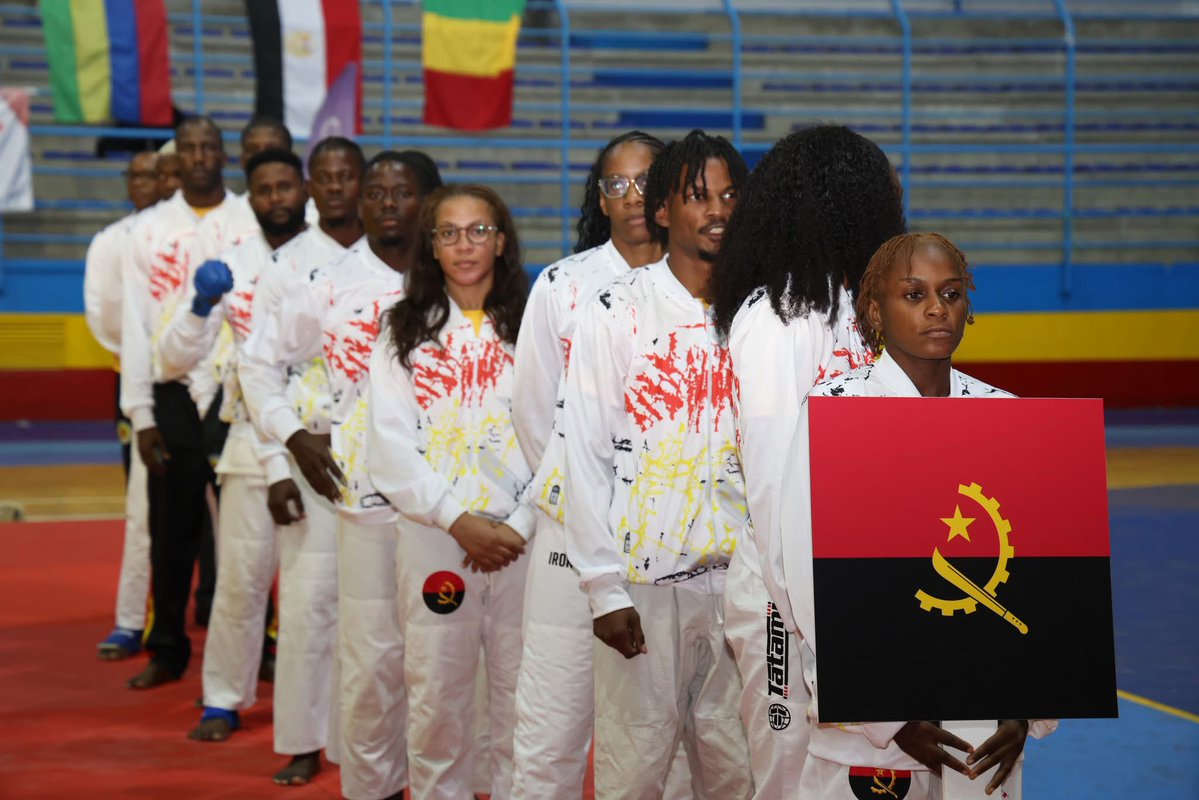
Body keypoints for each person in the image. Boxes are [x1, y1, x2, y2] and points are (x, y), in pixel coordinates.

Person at [772, 232, 1057, 799]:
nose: (936, 308)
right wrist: (887, 717)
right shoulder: (835, 413)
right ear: (875, 310)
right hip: (870, 732)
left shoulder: (1005, 415)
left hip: (984, 730)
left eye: (951, 293)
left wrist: (1025, 708)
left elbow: (1038, 579)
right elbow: (802, 579)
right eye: (914, 294)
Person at [707, 125, 907, 796]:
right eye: (882, 184)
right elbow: (770, 490)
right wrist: (816, 627)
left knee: (858, 780)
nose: (897, 196)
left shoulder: (865, 309)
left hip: (861, 583)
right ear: (844, 199)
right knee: (792, 774)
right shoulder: (780, 318)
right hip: (788, 598)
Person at [510, 130, 708, 799]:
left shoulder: (712, 287)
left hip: (667, 544)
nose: (631, 196)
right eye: (615, 184)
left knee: (663, 733)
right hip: (573, 535)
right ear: (600, 197)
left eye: (645, 180)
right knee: (551, 720)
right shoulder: (563, 285)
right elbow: (536, 413)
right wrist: (588, 500)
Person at [241, 150, 443, 800]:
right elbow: (256, 363)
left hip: (447, 511)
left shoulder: (462, 282)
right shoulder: (327, 285)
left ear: (429, 201)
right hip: (364, 509)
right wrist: (292, 436)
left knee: (443, 659)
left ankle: (443, 782)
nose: (387, 202)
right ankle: (372, 787)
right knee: (370, 661)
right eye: (376, 192)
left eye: (402, 191)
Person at [563, 129, 754, 798]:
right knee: (634, 770)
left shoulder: (765, 312)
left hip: (746, 586)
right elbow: (581, 454)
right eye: (696, 196)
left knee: (740, 769)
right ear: (664, 210)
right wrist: (604, 589)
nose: (716, 211)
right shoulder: (615, 310)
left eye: (730, 195)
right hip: (644, 586)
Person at [368, 184, 532, 799]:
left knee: (523, 695)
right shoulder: (401, 330)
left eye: (479, 230)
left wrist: (523, 524)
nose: (465, 244)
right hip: (438, 540)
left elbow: (561, 430)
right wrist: (456, 518)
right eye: (449, 232)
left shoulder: (536, 324)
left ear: (502, 240)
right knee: (437, 696)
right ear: (431, 246)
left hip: (523, 541)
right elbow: (388, 446)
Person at [120, 115, 242, 690]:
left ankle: (256, 645)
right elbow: (135, 326)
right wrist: (140, 414)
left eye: (208, 147)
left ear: (224, 154)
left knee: (245, 535)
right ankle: (166, 647)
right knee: (172, 532)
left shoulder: (246, 220)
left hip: (235, 392)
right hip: (170, 393)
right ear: (178, 158)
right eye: (189, 148)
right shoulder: (145, 231)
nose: (199, 156)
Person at [85, 149, 162, 660]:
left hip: (203, 384)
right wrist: (140, 357)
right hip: (137, 383)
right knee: (141, 506)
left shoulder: (195, 235)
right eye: (134, 175)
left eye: (153, 175)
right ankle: (132, 618)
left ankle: (205, 602)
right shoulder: (111, 241)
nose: (143, 183)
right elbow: (102, 314)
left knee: (216, 512)